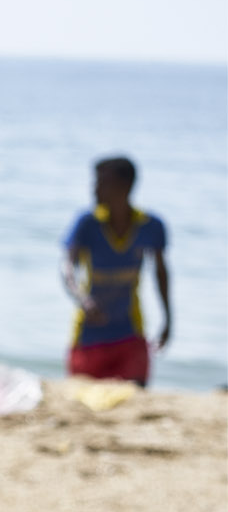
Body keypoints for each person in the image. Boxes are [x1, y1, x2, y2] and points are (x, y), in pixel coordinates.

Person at [62, 156, 170, 386]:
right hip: (89, 331)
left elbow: (161, 273)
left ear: (126, 186)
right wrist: (82, 299)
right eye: (96, 182)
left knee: (135, 393)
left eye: (103, 183)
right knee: (83, 396)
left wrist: (168, 320)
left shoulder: (150, 226)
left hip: (130, 329)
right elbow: (67, 267)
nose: (95, 189)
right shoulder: (87, 223)